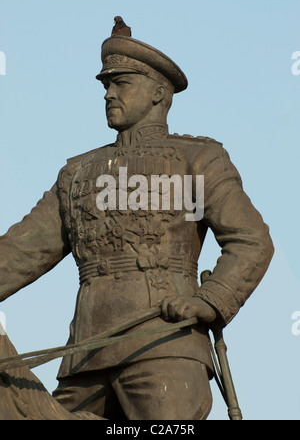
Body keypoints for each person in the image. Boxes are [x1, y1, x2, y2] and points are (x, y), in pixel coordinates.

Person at [0, 26, 274, 420]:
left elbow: (251, 240)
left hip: (163, 346)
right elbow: (18, 253)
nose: (109, 93)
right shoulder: (77, 172)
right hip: (85, 357)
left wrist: (210, 300)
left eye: (120, 83)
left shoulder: (197, 159)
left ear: (158, 92)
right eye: (106, 85)